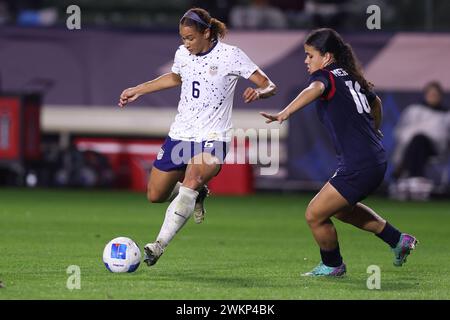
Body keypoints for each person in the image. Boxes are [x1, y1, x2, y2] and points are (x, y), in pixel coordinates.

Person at [118, 7, 276, 267]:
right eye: (183, 38)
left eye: (190, 37)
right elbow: (175, 77)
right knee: (155, 195)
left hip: (214, 136)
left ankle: (158, 245)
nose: (186, 43)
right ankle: (195, 194)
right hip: (181, 133)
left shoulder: (231, 55)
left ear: (207, 32)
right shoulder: (183, 54)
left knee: (192, 179)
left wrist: (260, 93)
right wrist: (139, 89)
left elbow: (268, 84)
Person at [260, 28, 417, 277]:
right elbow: (375, 102)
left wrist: (285, 112)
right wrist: (374, 130)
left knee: (314, 214)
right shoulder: (351, 77)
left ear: (327, 57)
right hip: (373, 159)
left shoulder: (326, 76)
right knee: (341, 209)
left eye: (310, 55)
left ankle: (333, 265)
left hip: (360, 163)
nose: (306, 60)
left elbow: (314, 90)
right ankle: (397, 239)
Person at [390, 81, 449, 201]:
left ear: (440, 96)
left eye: (435, 95)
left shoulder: (446, 115)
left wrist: (424, 133)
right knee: (416, 140)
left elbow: (444, 135)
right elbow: (401, 130)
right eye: (430, 94)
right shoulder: (413, 110)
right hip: (410, 145)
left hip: (434, 148)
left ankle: (408, 176)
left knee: (419, 139)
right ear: (425, 95)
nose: (432, 97)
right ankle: (415, 179)